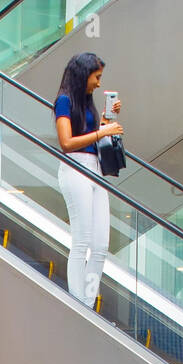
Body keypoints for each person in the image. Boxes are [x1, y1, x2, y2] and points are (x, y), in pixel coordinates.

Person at [54, 52, 122, 309]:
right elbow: (67, 143)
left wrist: (107, 120)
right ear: (84, 75)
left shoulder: (87, 103)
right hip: (76, 168)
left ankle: (88, 302)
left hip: (95, 169)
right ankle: (78, 304)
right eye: (96, 77)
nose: (98, 83)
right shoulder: (64, 101)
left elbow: (94, 134)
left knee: (101, 245)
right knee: (81, 241)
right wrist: (101, 131)